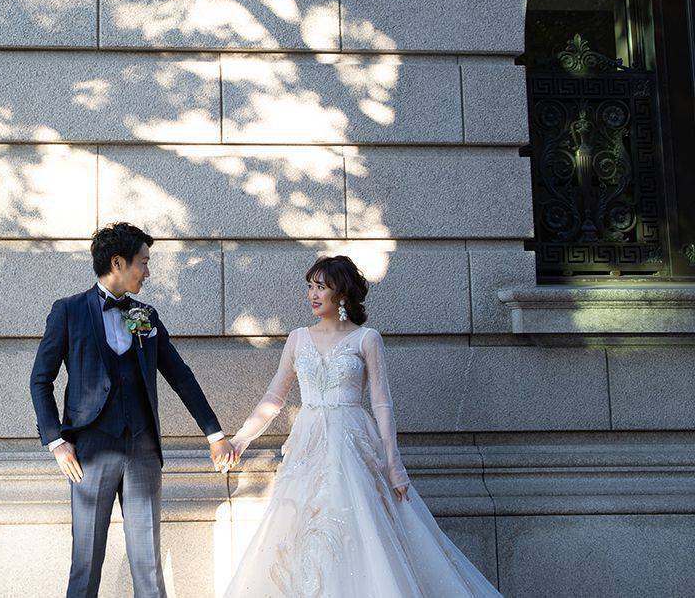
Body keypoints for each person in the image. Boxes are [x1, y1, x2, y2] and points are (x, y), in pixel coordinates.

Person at [223, 255, 502, 597]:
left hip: (352, 443)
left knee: (360, 527)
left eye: (321, 287)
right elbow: (274, 397)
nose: (312, 294)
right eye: (310, 286)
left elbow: (382, 403)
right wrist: (240, 440)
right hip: (308, 446)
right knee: (300, 529)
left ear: (341, 294)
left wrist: (394, 463)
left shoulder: (366, 339)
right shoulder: (298, 338)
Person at [30, 221, 235, 598]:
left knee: (148, 566)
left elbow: (180, 376)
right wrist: (57, 441)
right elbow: (40, 380)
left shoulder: (145, 315)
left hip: (142, 450)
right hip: (89, 451)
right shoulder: (69, 311)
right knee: (86, 564)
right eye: (143, 261)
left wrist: (215, 434)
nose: (148, 271)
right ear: (118, 262)